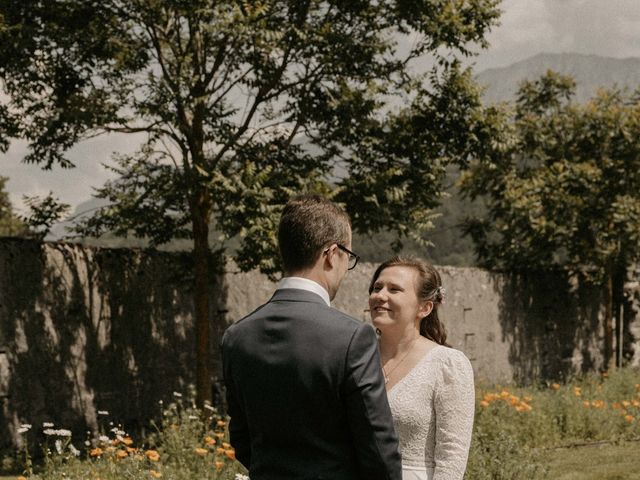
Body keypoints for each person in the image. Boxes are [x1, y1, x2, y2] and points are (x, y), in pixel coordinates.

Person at [222, 195, 402, 480]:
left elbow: (242, 439)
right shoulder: (353, 337)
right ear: (331, 254)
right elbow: (378, 448)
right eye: (348, 257)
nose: (346, 268)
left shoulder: (236, 337)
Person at [369, 256, 475, 480]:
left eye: (394, 289)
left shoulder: (447, 365)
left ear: (424, 308)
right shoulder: (357, 357)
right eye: (377, 287)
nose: (380, 296)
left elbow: (452, 457)